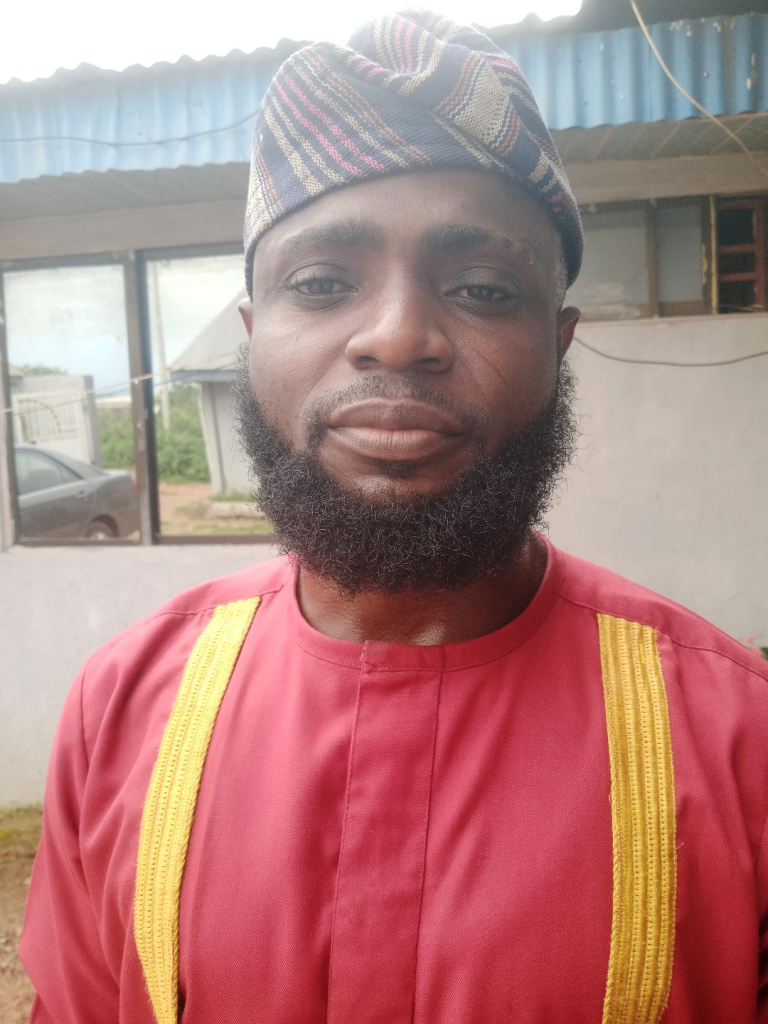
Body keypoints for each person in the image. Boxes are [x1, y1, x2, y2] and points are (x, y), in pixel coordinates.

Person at [20, 10, 768, 1024]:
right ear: (253, 338)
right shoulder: (119, 711)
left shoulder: (740, 743)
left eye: (482, 288)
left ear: (558, 346)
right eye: (322, 283)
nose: (399, 334)